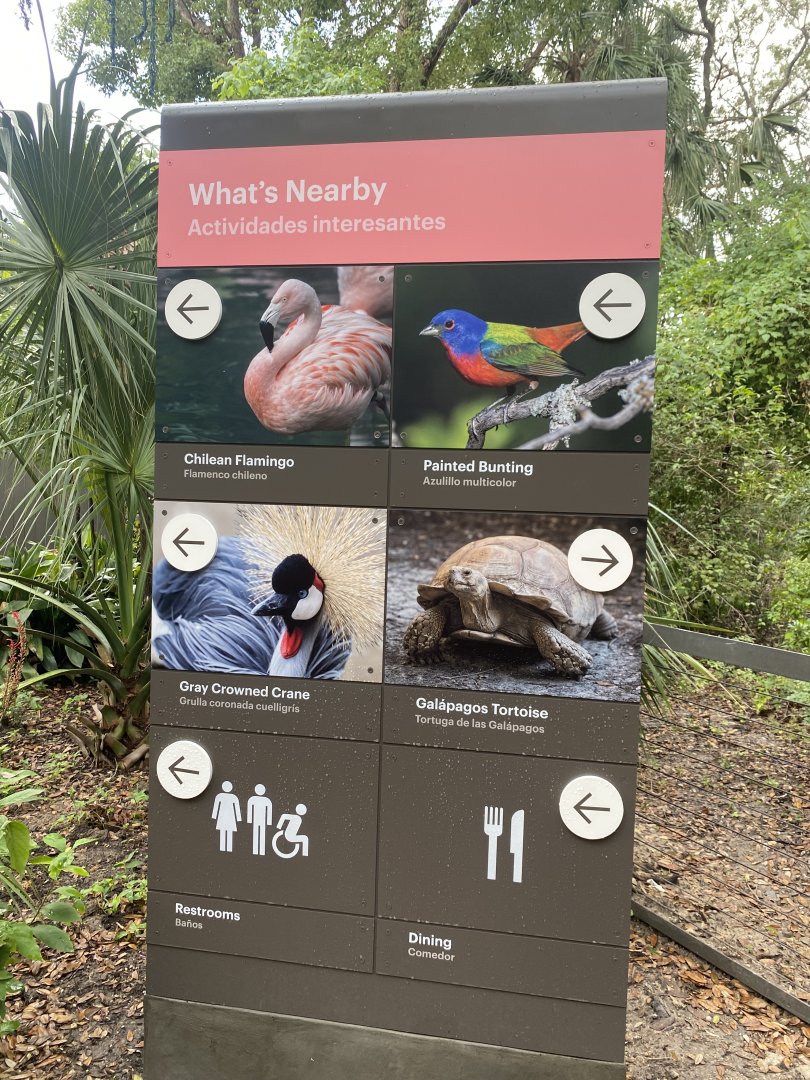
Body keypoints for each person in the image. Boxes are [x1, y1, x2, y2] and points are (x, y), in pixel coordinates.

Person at [212, 781, 241, 852]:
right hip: (223, 817)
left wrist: (238, 818)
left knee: (229, 832)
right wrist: (214, 816)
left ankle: (228, 848)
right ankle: (224, 848)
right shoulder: (219, 796)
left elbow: (237, 809)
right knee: (223, 831)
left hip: (230, 817)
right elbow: (216, 807)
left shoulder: (234, 797)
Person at [246, 784, 273, 855]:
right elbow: (250, 810)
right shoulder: (252, 799)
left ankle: (261, 850)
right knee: (256, 833)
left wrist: (269, 822)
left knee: (262, 834)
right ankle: (255, 850)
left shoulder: (267, 800)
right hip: (256, 819)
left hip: (262, 820)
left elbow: (269, 811)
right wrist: (249, 820)